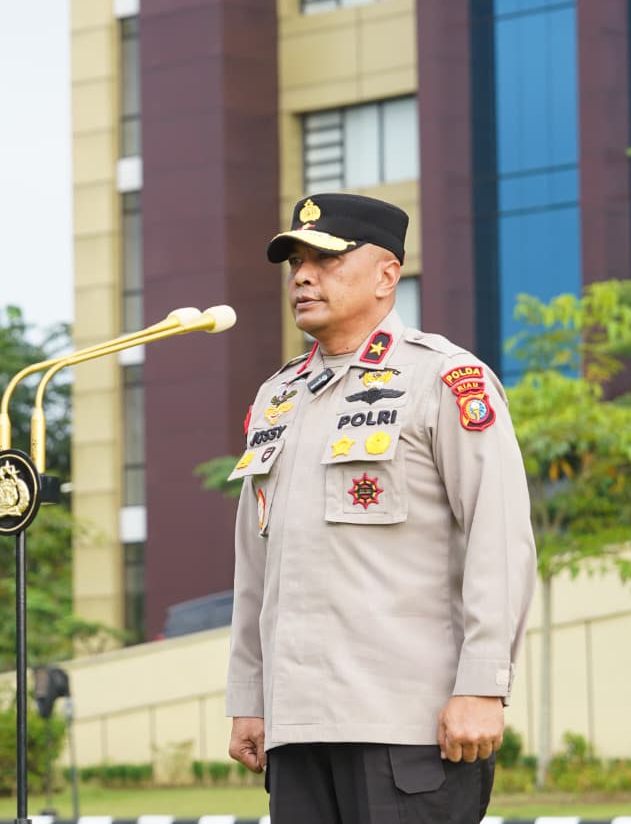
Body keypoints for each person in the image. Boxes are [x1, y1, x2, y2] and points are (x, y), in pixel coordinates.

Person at [225, 193, 537, 823]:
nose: (304, 276)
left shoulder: (444, 379)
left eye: (327, 260)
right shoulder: (278, 397)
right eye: (296, 263)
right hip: (299, 729)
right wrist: (250, 696)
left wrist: (481, 687)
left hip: (409, 727)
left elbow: (498, 538)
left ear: (388, 275)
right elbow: (255, 566)